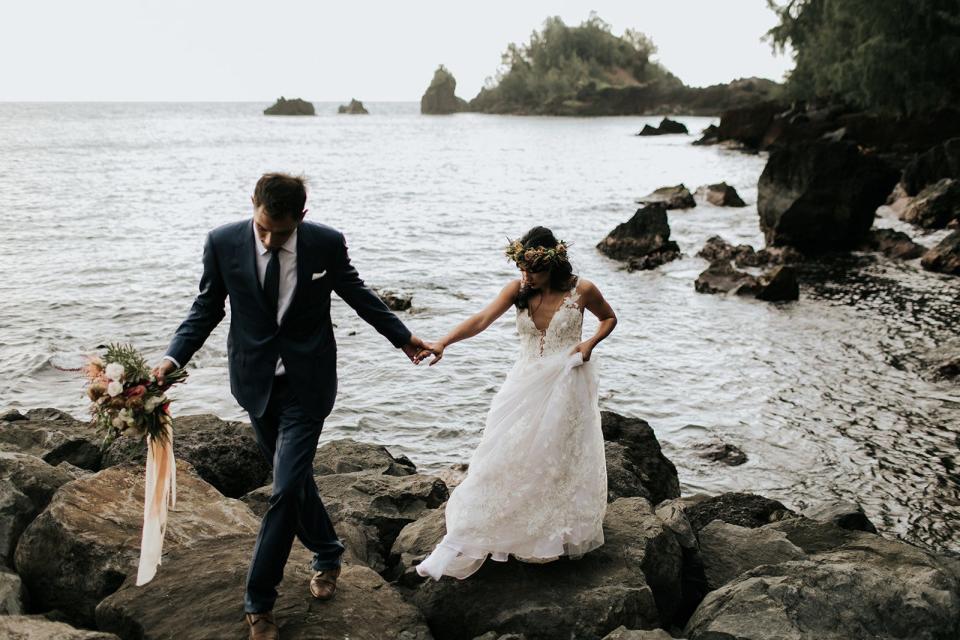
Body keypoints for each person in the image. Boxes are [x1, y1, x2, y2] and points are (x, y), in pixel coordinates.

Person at [152, 173, 435, 640]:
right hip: (255, 384)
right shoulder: (222, 242)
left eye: (279, 232)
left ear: (301, 218)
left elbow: (357, 293)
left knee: (283, 489)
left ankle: (258, 602)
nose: (268, 238)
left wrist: (403, 338)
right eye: (262, 227)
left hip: (309, 383)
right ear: (253, 205)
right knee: (296, 481)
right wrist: (171, 357)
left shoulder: (325, 243)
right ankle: (327, 551)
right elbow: (206, 308)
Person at [415, 226, 617, 580]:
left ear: (554, 265)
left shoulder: (582, 290)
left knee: (557, 455)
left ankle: (553, 532)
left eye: (534, 270)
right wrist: (442, 342)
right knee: (503, 451)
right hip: (524, 381)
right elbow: (480, 320)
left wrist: (589, 344)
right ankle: (479, 529)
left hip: (567, 381)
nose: (527, 277)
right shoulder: (517, 290)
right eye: (522, 269)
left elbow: (609, 318)